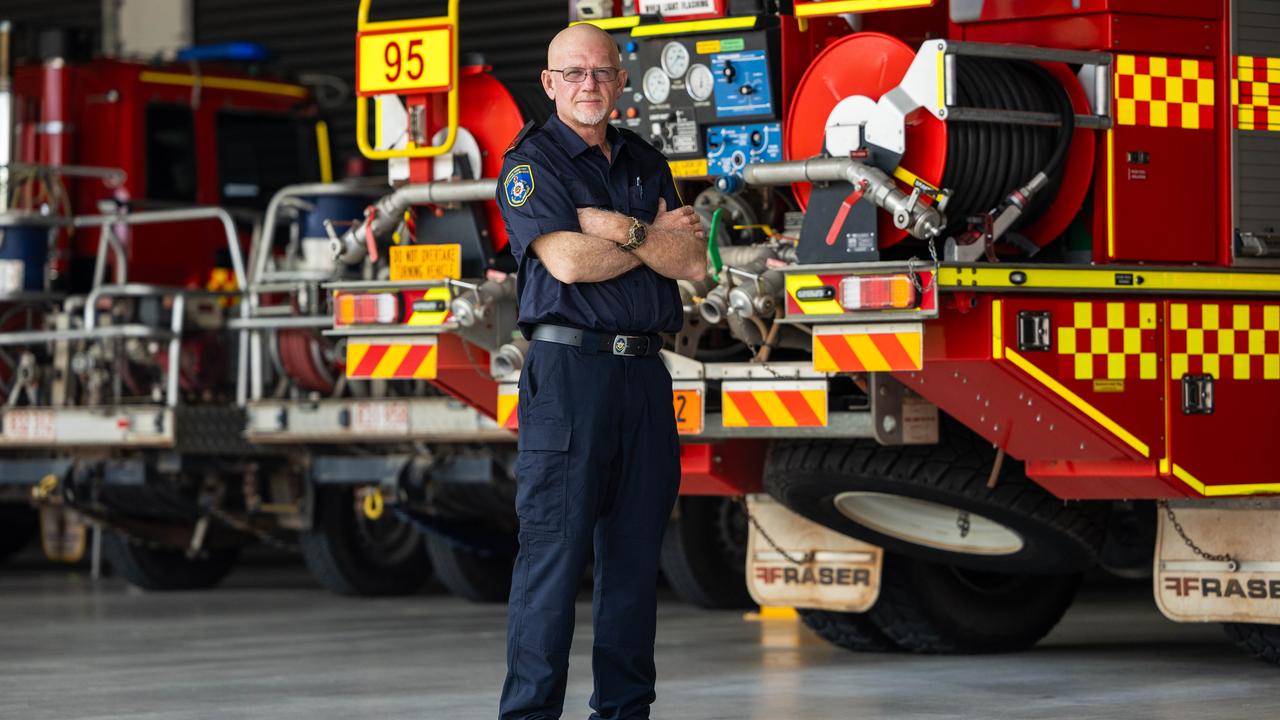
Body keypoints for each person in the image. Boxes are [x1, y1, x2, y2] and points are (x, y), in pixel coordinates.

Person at [495, 22, 706, 720]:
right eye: (575, 73)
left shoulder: (645, 161)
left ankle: (624, 714)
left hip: (645, 379)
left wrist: (618, 229)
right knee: (553, 562)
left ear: (621, 81)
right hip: (569, 377)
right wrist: (653, 240)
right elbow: (564, 262)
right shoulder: (533, 165)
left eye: (603, 73)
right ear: (550, 84)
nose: (590, 85)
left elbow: (694, 262)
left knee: (633, 565)